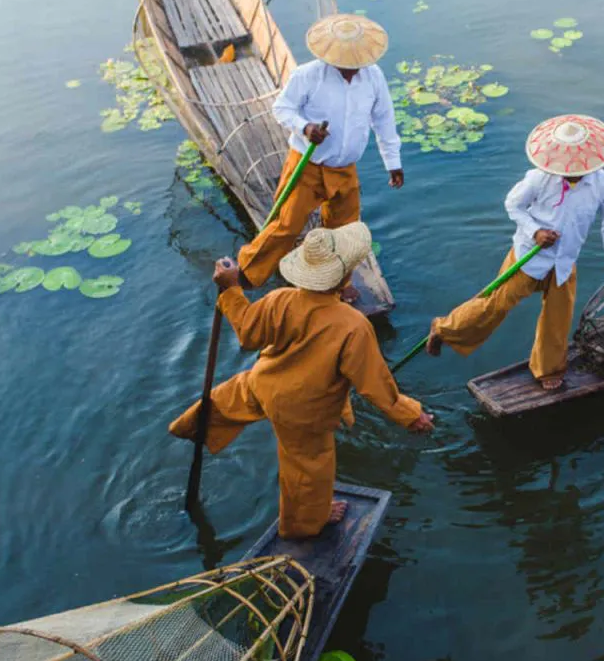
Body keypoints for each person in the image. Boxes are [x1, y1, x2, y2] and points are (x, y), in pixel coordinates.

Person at [171, 223, 434, 539]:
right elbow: (375, 386)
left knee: (228, 399)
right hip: (303, 412)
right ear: (345, 277)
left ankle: (191, 426)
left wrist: (230, 289)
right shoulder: (353, 326)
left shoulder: (281, 299)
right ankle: (306, 522)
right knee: (308, 469)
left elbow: (248, 333)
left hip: (263, 382)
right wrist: (410, 415)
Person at [426, 115, 604, 391]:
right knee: (495, 305)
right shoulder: (539, 178)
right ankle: (444, 329)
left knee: (558, 319)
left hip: (564, 262)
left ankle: (547, 369)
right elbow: (513, 205)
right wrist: (536, 232)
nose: (570, 172)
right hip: (528, 257)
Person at [237, 13, 403, 297]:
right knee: (286, 225)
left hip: (345, 168)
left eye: (356, 63)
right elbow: (282, 109)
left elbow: (384, 120)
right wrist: (305, 127)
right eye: (345, 63)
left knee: (344, 231)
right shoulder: (308, 75)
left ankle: (337, 284)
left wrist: (393, 163)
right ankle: (246, 274)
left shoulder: (374, 77)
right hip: (308, 166)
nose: (351, 69)